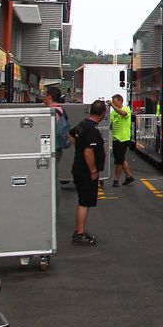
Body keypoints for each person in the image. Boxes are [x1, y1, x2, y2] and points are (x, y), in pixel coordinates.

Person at [70, 100, 108, 247]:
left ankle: (79, 230)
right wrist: (93, 171)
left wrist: (79, 146)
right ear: (103, 114)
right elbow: (88, 152)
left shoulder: (82, 124)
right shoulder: (92, 129)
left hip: (78, 168)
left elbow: (71, 136)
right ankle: (79, 234)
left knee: (83, 201)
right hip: (85, 172)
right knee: (84, 202)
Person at [42, 85, 72, 173]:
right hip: (58, 148)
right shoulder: (61, 110)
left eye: (44, 95)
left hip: (51, 148)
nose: (43, 97)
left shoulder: (51, 112)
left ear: (49, 97)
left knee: (49, 174)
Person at [108, 93, 135, 187]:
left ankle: (116, 179)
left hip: (124, 138)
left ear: (120, 101)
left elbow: (123, 114)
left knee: (118, 160)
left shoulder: (126, 109)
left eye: (115, 102)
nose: (114, 104)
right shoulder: (113, 113)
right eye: (113, 103)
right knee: (120, 158)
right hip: (116, 138)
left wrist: (112, 105)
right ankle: (129, 176)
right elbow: (110, 124)